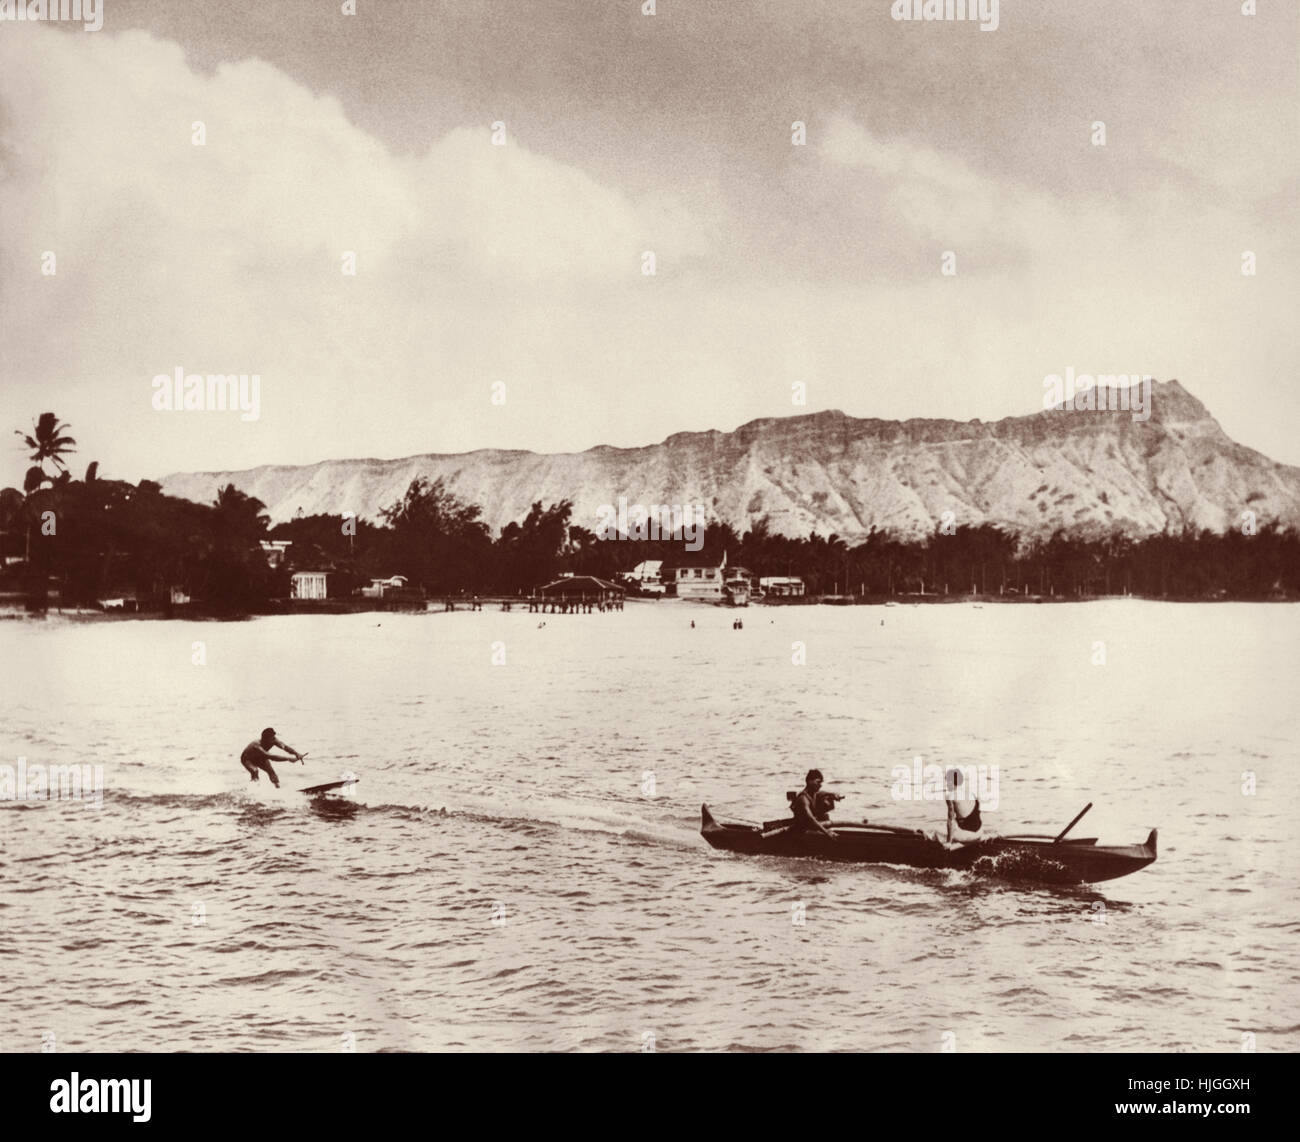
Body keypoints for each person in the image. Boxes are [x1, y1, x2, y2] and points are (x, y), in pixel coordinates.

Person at [240, 727, 306, 789]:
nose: (274, 739)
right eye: (272, 738)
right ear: (265, 739)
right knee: (255, 771)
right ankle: (254, 789)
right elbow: (271, 756)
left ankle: (278, 788)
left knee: (271, 772)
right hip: (247, 759)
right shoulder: (256, 745)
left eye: (274, 737)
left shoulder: (274, 740)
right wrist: (288, 759)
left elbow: (285, 747)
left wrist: (297, 753)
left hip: (260, 757)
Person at [791, 769, 838, 840]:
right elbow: (811, 818)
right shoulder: (803, 798)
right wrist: (826, 832)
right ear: (810, 781)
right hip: (802, 832)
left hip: (811, 829)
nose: (820, 785)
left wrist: (833, 795)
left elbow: (822, 793)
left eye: (821, 783)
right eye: (818, 782)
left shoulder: (814, 794)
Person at [944, 767, 982, 846]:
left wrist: (949, 842)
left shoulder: (950, 796)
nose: (946, 785)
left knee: (936, 832)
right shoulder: (971, 792)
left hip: (967, 835)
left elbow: (951, 820)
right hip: (980, 832)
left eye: (947, 782)